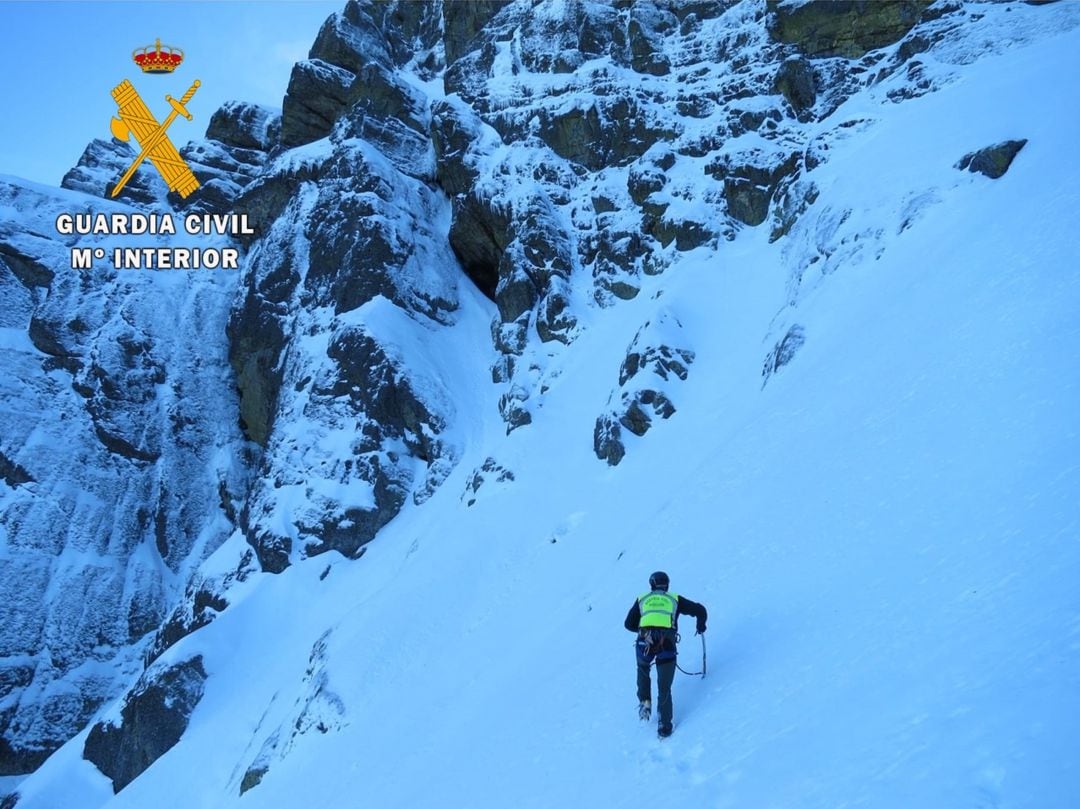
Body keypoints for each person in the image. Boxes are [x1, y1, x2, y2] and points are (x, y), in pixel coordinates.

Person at [624, 571, 707, 738]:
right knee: (664, 686)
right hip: (666, 644)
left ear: (651, 585)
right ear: (667, 585)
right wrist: (700, 625)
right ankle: (664, 725)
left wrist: (643, 628)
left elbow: (628, 624)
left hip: (644, 641)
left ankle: (645, 701)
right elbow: (700, 610)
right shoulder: (674, 599)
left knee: (642, 668)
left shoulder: (642, 599)